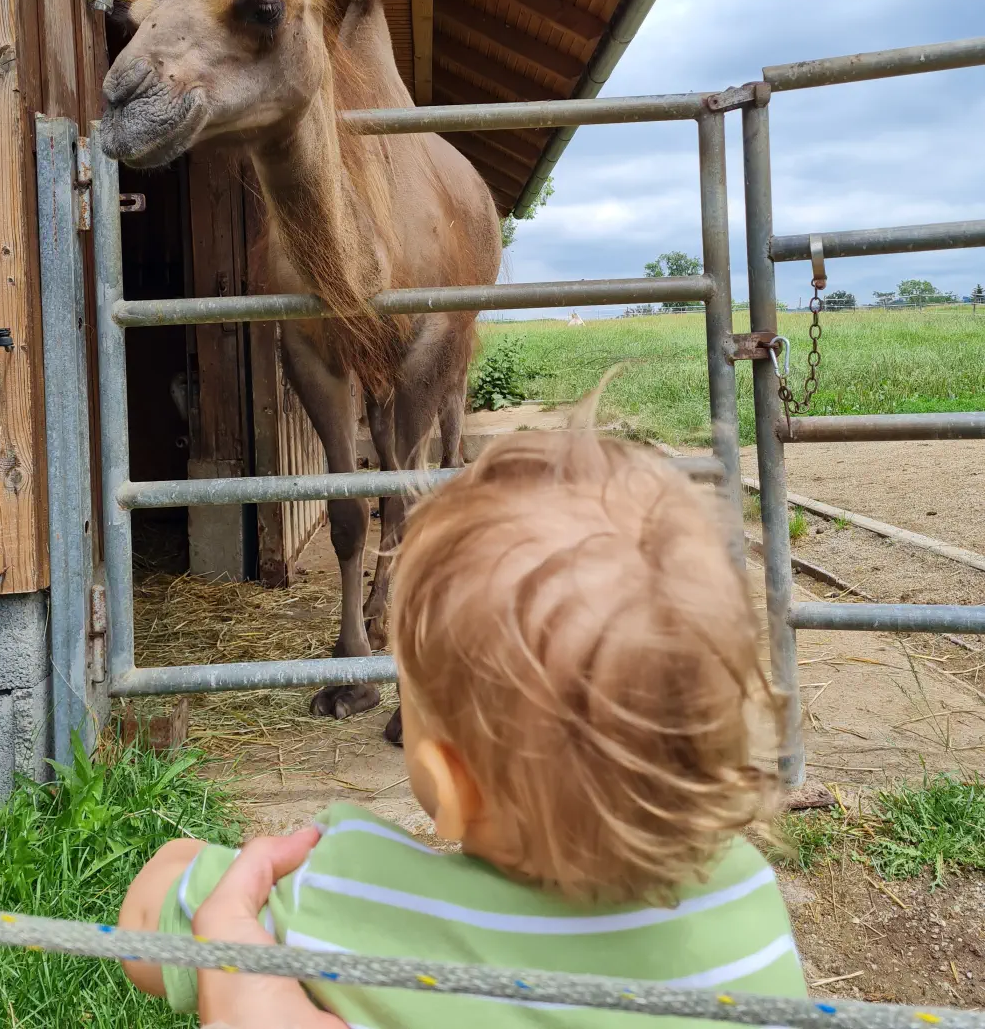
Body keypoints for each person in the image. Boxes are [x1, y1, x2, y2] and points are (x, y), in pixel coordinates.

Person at [119, 418, 806, 1027]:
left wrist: (232, 879)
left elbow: (147, 914)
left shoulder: (353, 896)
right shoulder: (747, 904)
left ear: (448, 786)